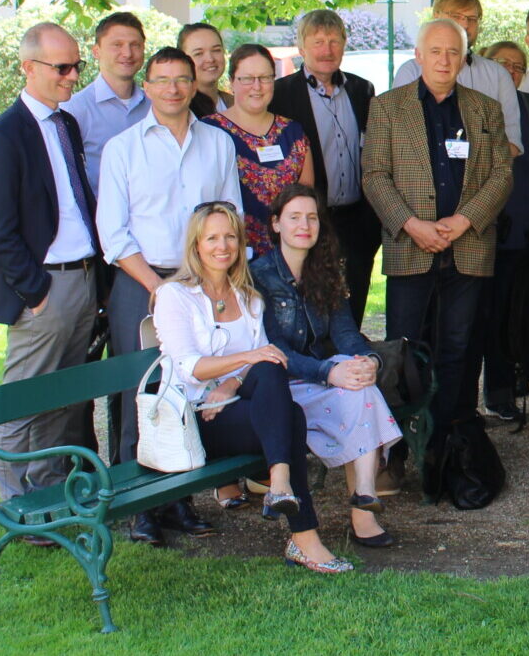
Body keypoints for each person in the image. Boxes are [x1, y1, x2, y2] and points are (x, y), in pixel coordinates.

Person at [152, 202, 351, 573]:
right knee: (288, 414)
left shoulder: (248, 297)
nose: (222, 246)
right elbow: (188, 367)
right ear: (196, 245)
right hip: (195, 420)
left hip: (238, 406)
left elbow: (260, 362)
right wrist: (244, 362)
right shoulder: (174, 296)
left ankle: (280, 485)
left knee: (273, 373)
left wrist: (228, 385)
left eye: (230, 236)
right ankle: (300, 530)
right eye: (212, 238)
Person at [96, 46, 239, 546]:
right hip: (144, 283)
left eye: (183, 78)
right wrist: (160, 289)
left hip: (202, 282)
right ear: (148, 86)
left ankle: (178, 499)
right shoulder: (123, 148)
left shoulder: (217, 143)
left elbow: (229, 214)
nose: (174, 89)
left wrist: (209, 283)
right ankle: (138, 508)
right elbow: (112, 234)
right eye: (163, 80)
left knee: (186, 390)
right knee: (141, 391)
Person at [362, 18, 513, 455]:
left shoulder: (485, 109)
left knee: (460, 348)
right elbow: (374, 176)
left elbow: (502, 174)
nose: (445, 60)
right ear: (419, 56)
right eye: (436, 51)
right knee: (403, 347)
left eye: (454, 52)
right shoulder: (387, 107)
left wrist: (465, 220)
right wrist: (412, 224)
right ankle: (398, 445)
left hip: (469, 246)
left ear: (464, 59)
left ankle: (452, 440)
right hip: (410, 245)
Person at [0, 23, 102, 512]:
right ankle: (11, 503)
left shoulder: (65, 124)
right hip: (46, 288)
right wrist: (36, 292)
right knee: (23, 402)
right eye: (62, 67)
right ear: (28, 68)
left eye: (76, 66)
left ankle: (48, 492)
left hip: (85, 279)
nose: (72, 77)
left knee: (62, 397)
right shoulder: (2, 137)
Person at [250, 185, 402, 547]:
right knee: (350, 382)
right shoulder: (259, 275)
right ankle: (364, 506)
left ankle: (364, 495)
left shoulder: (326, 270)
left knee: (358, 378)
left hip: (317, 379)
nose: (305, 225)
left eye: (312, 217)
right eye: (295, 217)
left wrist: (368, 360)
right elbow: (273, 348)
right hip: (278, 385)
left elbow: (345, 332)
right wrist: (328, 372)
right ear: (276, 224)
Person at [270, 9, 379, 327]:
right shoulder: (281, 94)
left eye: (334, 41)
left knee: (353, 299)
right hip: (310, 217)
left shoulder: (363, 91)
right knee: (309, 305)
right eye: (318, 42)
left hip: (357, 220)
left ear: (344, 45)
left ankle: (350, 366)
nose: (327, 50)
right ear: (301, 48)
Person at [478, 40, 529, 420]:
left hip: (519, 224)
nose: (511, 71)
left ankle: (504, 391)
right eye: (502, 63)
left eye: (519, 66)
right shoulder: (472, 104)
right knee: (479, 314)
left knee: (511, 310)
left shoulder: (528, 108)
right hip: (477, 227)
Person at [201, 44, 314, 260]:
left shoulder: (293, 132)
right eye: (247, 78)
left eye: (265, 78)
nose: (257, 86)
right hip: (228, 257)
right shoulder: (208, 131)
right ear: (231, 82)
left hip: (287, 258)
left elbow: (306, 199)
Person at [390, 0, 524, 155]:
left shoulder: (498, 75)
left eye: (472, 19)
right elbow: (399, 141)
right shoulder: (410, 72)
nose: (465, 24)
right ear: (436, 17)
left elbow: (511, 143)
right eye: (457, 16)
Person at [63, 10, 148, 191]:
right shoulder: (74, 110)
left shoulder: (155, 105)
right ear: (96, 51)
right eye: (117, 45)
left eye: (135, 45)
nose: (127, 53)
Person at [179, 22, 231, 115]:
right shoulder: (178, 110)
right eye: (198, 53)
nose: (210, 59)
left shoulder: (235, 104)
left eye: (216, 50)